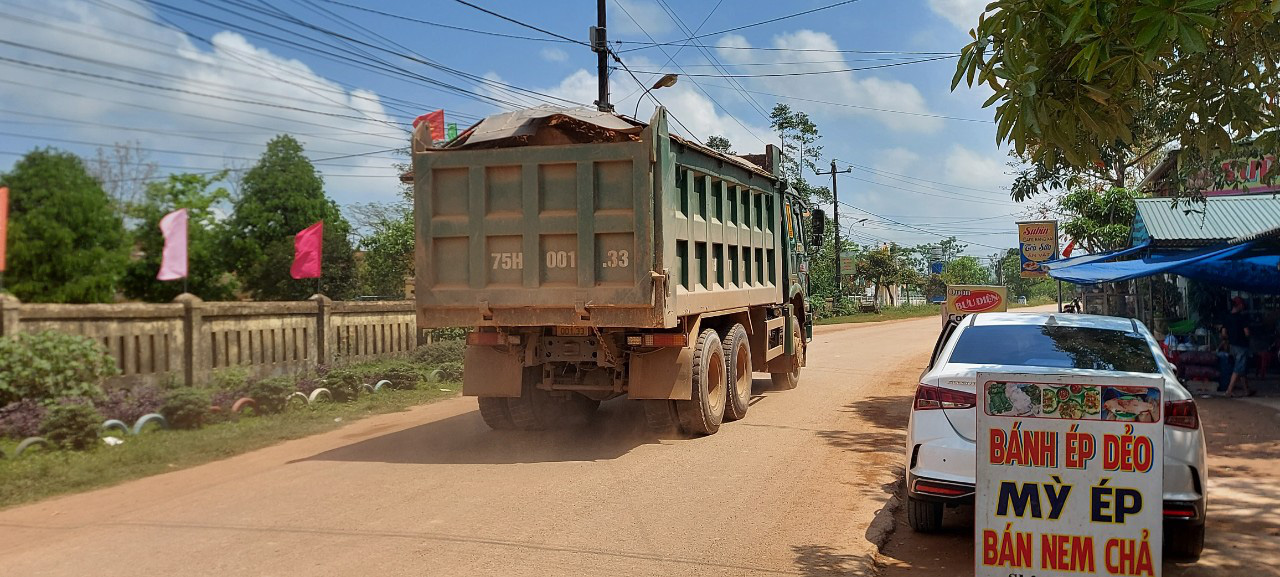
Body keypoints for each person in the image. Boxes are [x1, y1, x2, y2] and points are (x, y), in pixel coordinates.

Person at [1222, 296, 1254, 398]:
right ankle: (1229, 390)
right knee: (1238, 368)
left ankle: (1246, 390)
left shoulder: (1227, 317)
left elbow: (1223, 333)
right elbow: (1247, 333)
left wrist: (1231, 337)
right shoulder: (1241, 318)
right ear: (1239, 305)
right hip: (1241, 345)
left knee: (1241, 369)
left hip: (1232, 345)